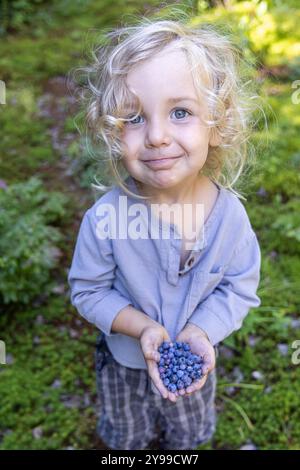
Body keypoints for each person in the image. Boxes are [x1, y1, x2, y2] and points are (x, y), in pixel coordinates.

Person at [67, 17, 261, 450]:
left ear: (217, 123)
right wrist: (143, 329)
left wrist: (201, 331)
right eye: (134, 118)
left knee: (188, 433)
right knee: (127, 434)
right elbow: (88, 291)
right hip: (125, 361)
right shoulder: (106, 220)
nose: (156, 136)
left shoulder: (230, 219)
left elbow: (238, 287)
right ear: (114, 134)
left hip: (191, 360)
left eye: (180, 112)